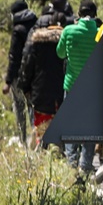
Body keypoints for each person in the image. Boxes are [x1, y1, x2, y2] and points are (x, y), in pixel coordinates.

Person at [57, 0, 102, 170]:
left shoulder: (69, 31)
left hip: (71, 86)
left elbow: (60, 54)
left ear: (79, 14)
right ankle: (85, 166)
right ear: (96, 15)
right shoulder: (100, 33)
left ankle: (71, 165)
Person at [17, 10, 66, 143]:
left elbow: (28, 67)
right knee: (58, 132)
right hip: (59, 94)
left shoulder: (37, 43)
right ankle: (57, 155)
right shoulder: (65, 42)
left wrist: (25, 87)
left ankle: (42, 155)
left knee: (41, 130)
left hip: (40, 93)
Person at [3, 0, 38, 144]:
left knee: (19, 106)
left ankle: (23, 140)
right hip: (35, 75)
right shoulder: (37, 24)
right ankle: (36, 140)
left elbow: (14, 57)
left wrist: (8, 80)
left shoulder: (18, 30)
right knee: (33, 108)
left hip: (19, 76)